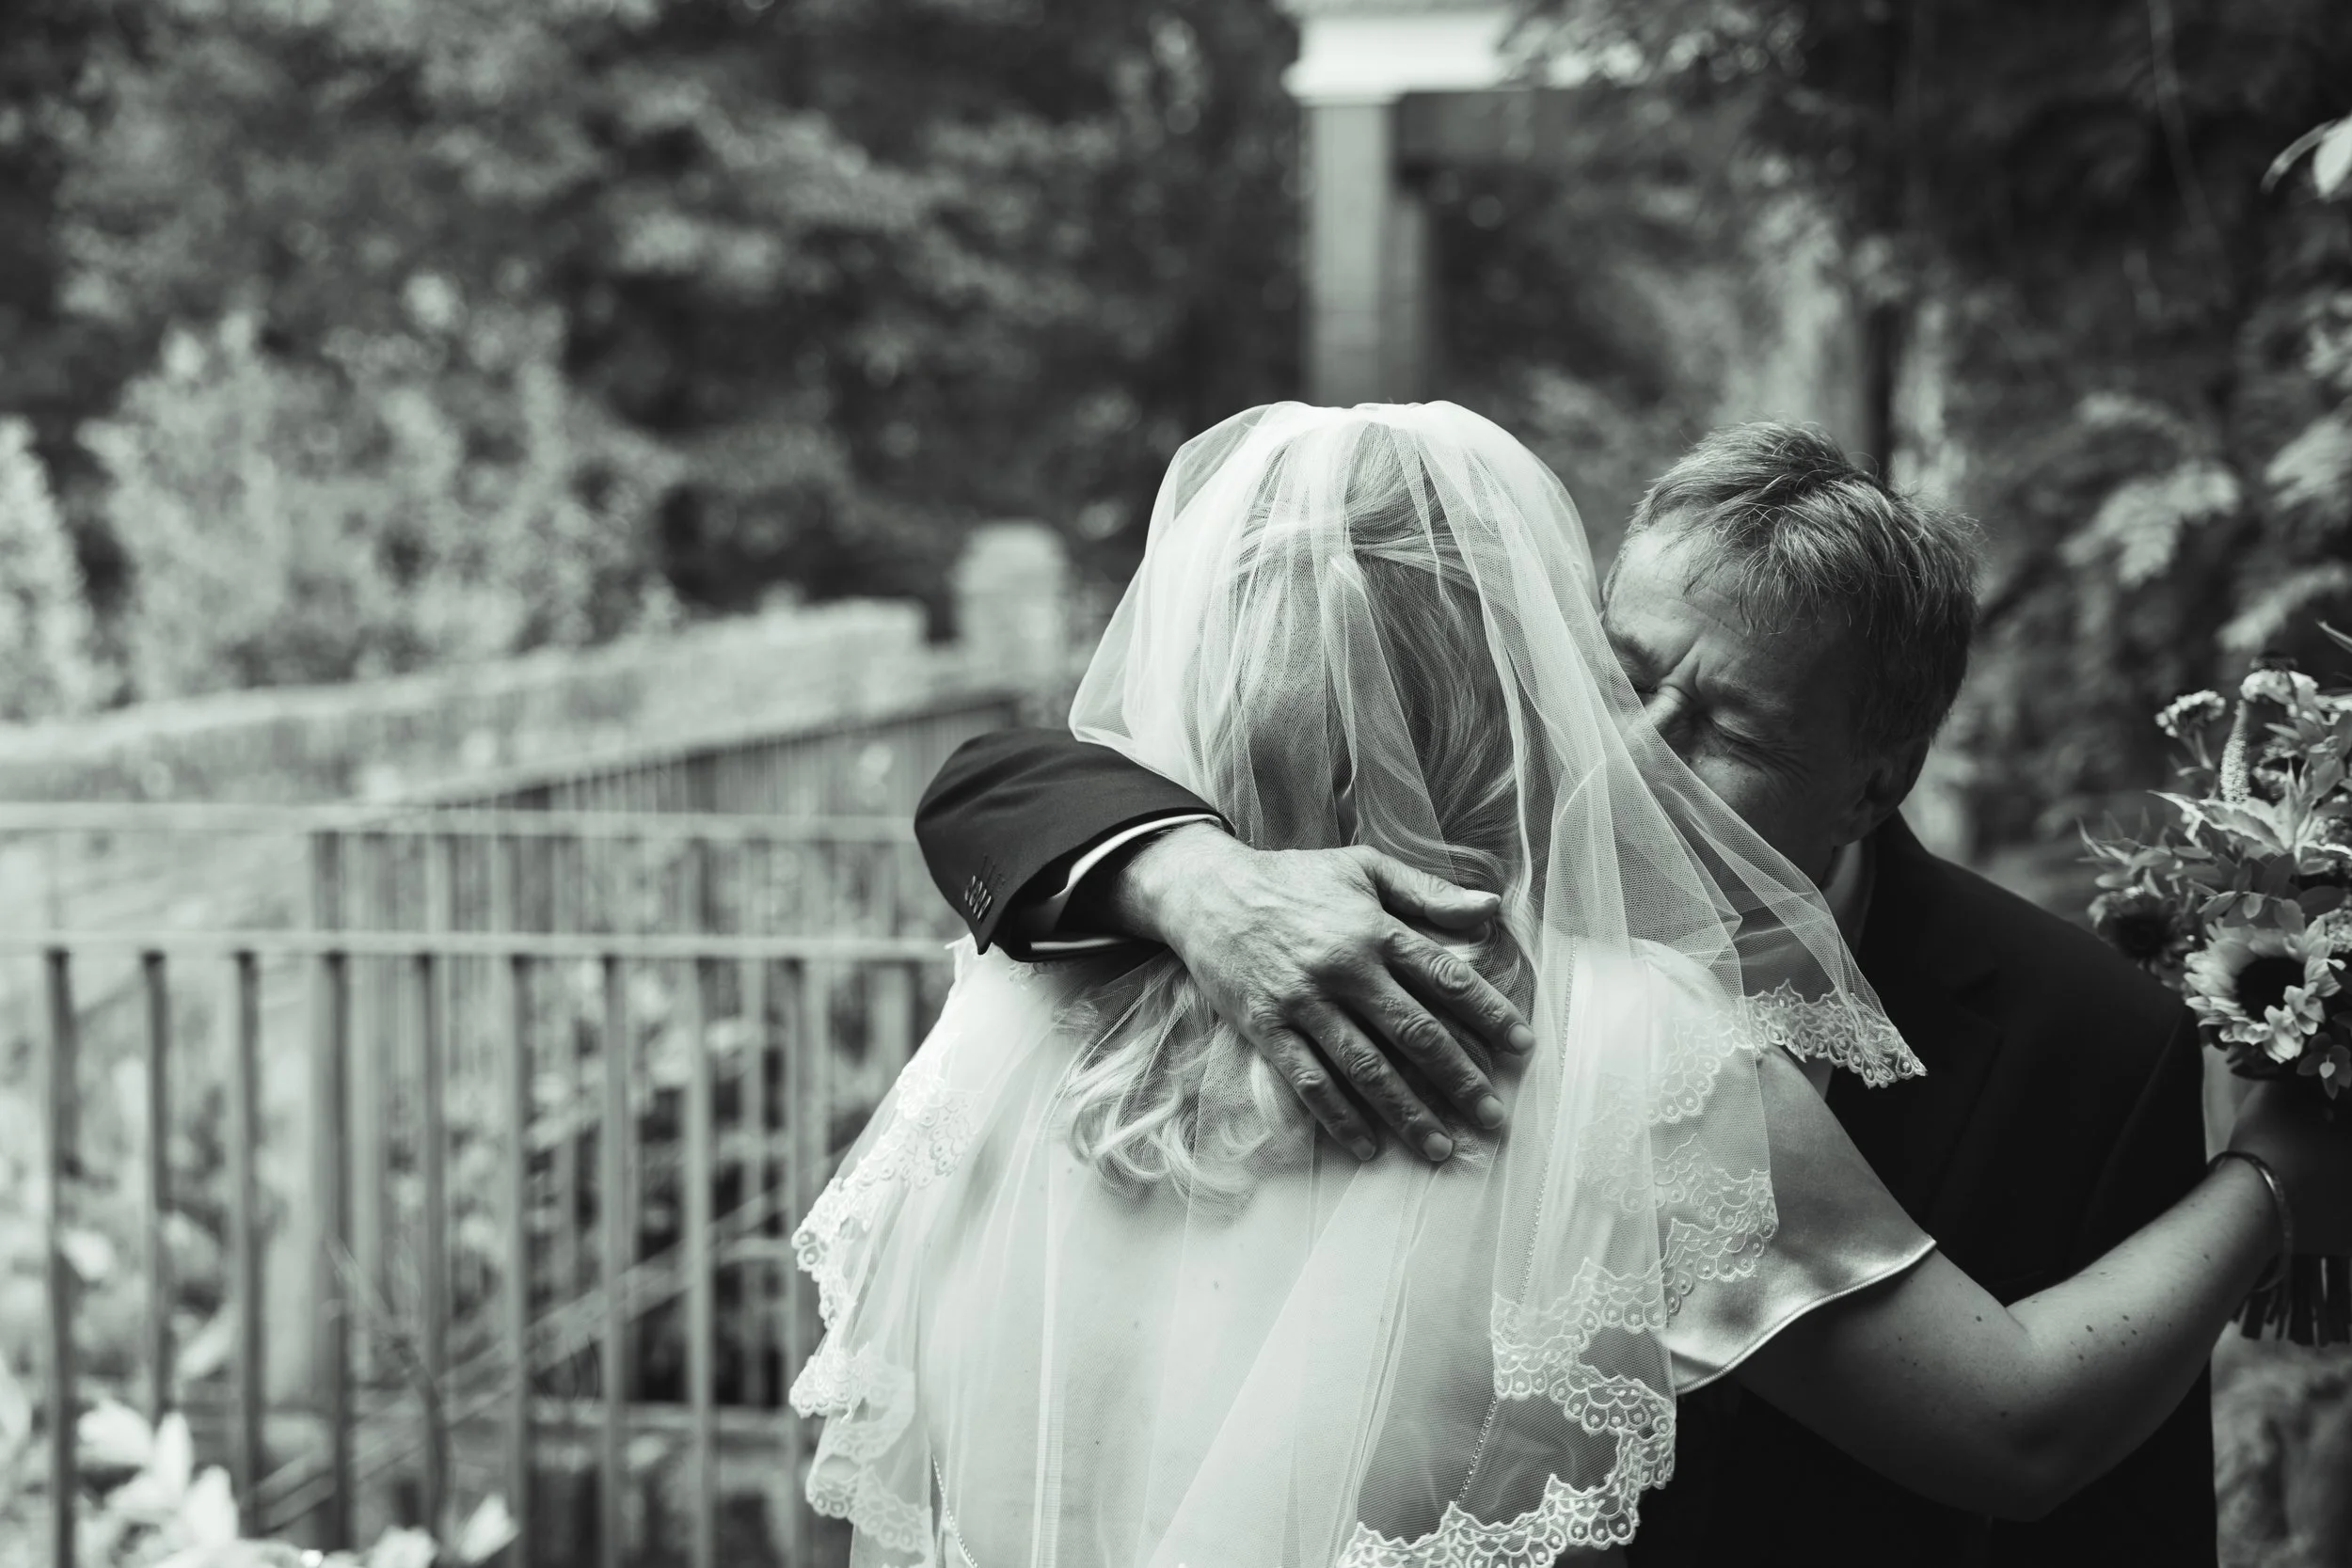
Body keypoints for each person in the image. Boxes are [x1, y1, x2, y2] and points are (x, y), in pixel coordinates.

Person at [803, 404, 2348, 1568]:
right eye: (1603, 675)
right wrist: (2282, 1172)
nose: (1629, 747)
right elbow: (2016, 1423)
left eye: (1724, 722)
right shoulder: (1607, 1035)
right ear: (1523, 689)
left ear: (1884, 771)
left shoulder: (1012, 1008)